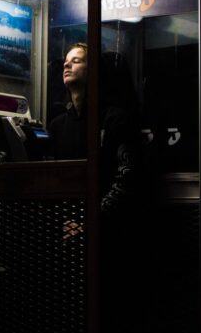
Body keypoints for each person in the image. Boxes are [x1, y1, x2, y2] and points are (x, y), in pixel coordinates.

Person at [48, 43, 141, 218]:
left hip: (107, 225)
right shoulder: (57, 126)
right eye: (65, 62)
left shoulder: (114, 119)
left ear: (94, 70)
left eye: (76, 61)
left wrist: (90, 219)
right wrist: (64, 219)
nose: (67, 65)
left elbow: (128, 177)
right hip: (67, 223)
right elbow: (54, 180)